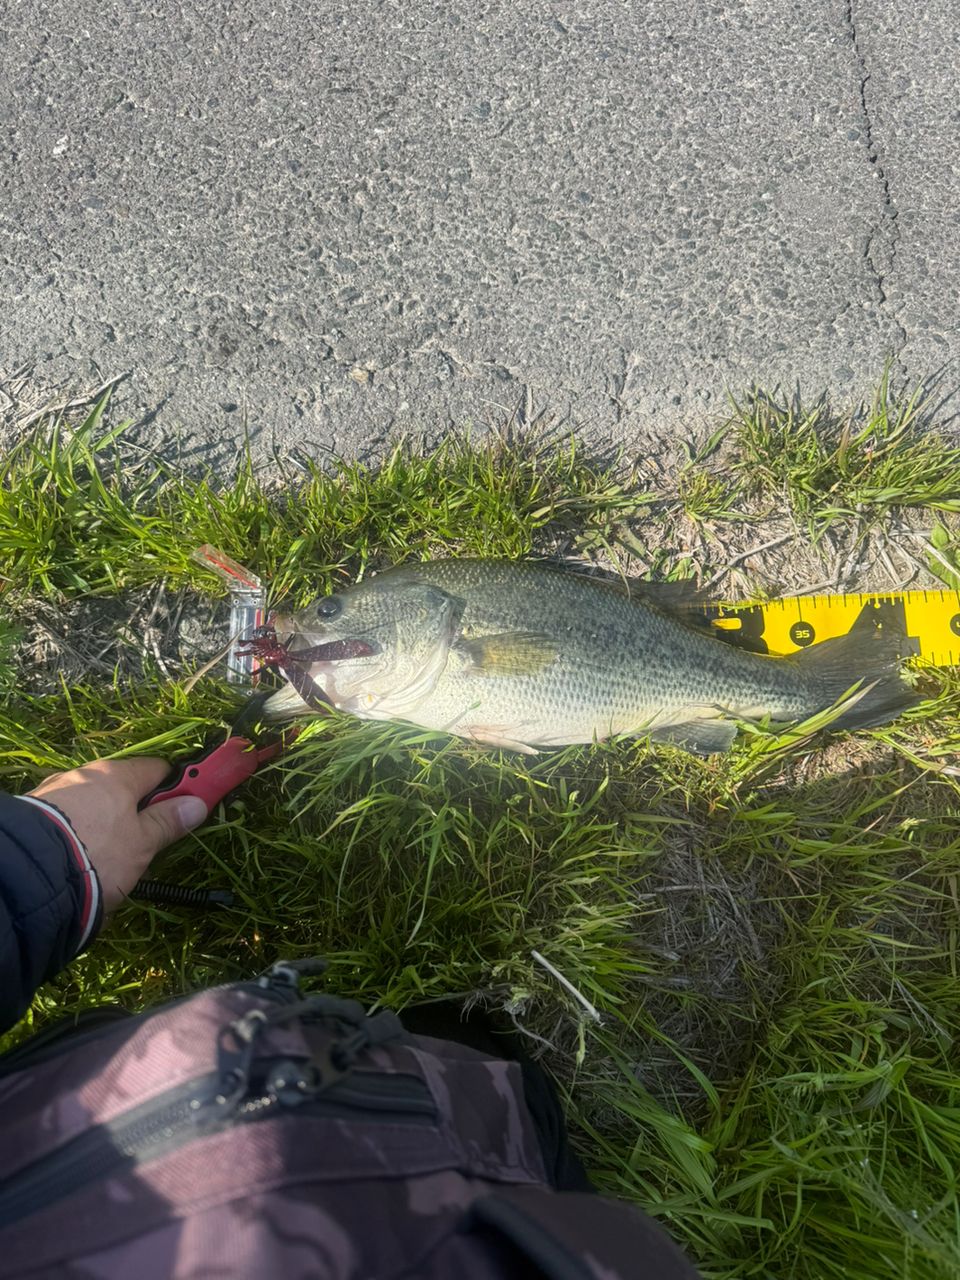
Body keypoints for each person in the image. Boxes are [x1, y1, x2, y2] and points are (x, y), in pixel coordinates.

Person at [0, 757, 701, 1279]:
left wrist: (39, 868)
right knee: (493, 1109)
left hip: (100, 1103)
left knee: (461, 1077)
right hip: (476, 1204)